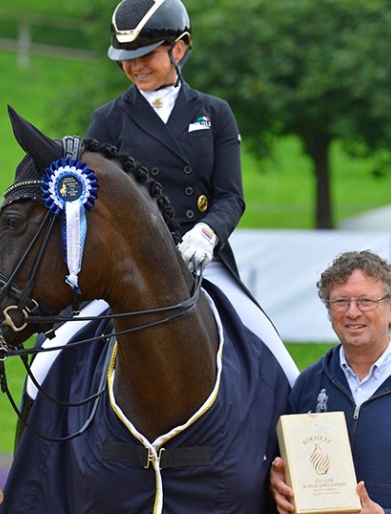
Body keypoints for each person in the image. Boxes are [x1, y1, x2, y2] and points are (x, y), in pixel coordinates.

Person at [23, 0, 298, 406]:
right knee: (46, 367)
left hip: (201, 261)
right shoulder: (108, 119)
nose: (134, 67)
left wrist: (206, 234)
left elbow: (230, 196)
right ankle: (38, 466)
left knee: (279, 358)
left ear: (179, 49)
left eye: (145, 55)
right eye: (125, 58)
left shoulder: (214, 113)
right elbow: (95, 202)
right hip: (129, 268)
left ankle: (296, 457)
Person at [270, 250, 391, 513]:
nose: (352, 313)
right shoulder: (308, 385)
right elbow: (281, 463)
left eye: (365, 301)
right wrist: (276, 481)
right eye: (340, 301)